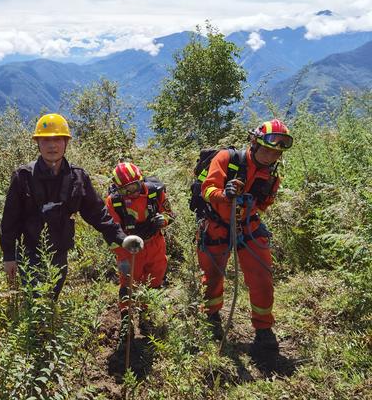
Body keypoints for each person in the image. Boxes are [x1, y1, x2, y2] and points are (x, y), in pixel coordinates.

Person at [0, 113, 128, 299]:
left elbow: (97, 213)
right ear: (38, 143)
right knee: (37, 303)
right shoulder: (23, 177)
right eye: (46, 140)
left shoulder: (77, 177)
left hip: (60, 252)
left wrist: (122, 238)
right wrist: (9, 256)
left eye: (58, 139)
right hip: (30, 253)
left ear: (66, 142)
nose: (52, 145)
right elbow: (9, 219)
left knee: (51, 299)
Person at [197, 119, 293, 354]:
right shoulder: (227, 160)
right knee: (213, 274)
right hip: (217, 224)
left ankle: (263, 329)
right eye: (267, 150)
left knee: (262, 276)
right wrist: (224, 194)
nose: (270, 157)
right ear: (254, 143)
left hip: (248, 227)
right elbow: (207, 190)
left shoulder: (271, 177)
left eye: (275, 153)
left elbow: (263, 205)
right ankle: (211, 318)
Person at [105, 162, 175, 337]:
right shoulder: (114, 202)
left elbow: (169, 214)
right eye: (125, 190)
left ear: (141, 180)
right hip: (127, 249)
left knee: (155, 280)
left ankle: (146, 314)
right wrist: (123, 252)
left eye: (135, 187)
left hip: (155, 244)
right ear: (117, 189)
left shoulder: (155, 192)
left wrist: (163, 220)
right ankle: (126, 320)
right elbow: (111, 232)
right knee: (127, 284)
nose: (132, 193)